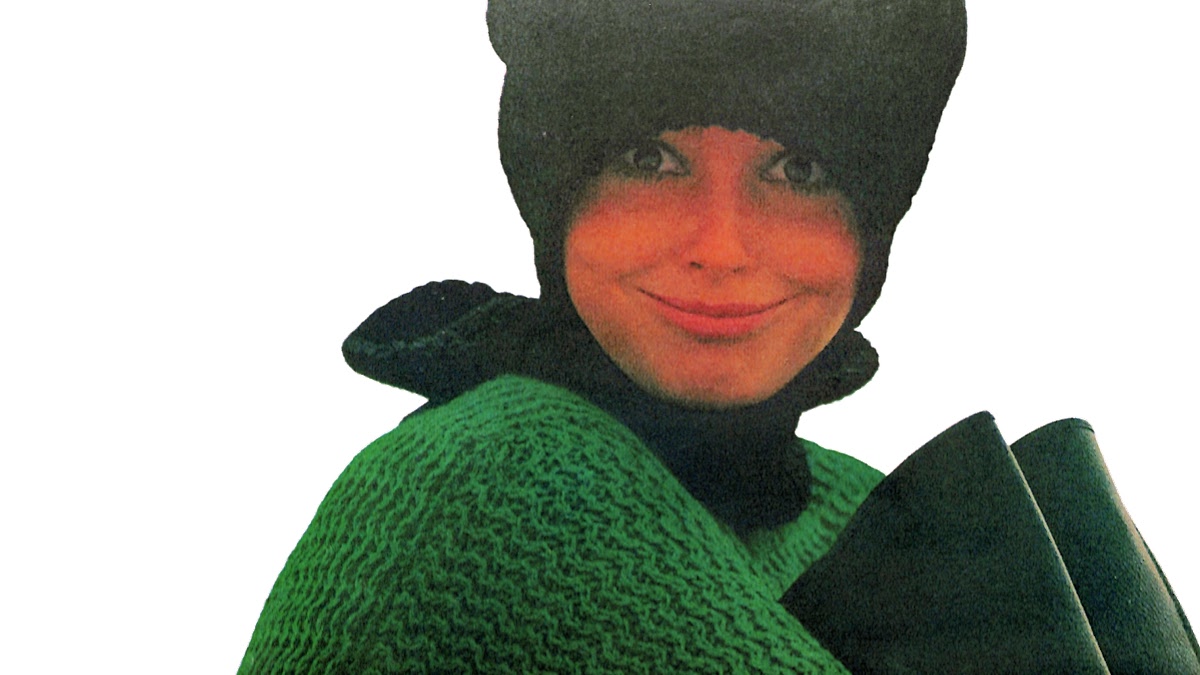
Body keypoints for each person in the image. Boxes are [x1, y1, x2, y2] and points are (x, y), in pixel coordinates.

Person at [240, 0, 1197, 672]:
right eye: (650, 158)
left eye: (799, 169)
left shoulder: (852, 504)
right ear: (550, 182)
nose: (721, 247)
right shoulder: (484, 480)